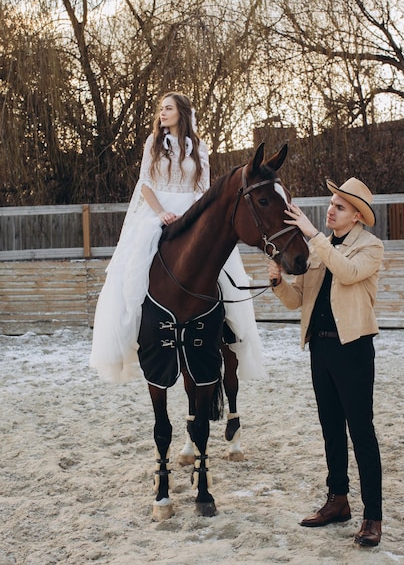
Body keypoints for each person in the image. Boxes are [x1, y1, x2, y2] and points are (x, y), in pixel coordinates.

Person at [90, 92, 265, 391]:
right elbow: (145, 184)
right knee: (132, 269)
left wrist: (194, 219)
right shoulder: (152, 143)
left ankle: (229, 330)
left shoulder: (198, 146)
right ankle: (135, 329)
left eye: (168, 108)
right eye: (160, 109)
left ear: (182, 113)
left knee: (220, 267)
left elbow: (203, 188)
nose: (162, 113)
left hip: (192, 212)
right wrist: (160, 213)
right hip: (157, 213)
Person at [268, 177, 383, 548]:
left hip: (353, 350)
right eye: (331, 204)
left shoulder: (370, 247)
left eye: (339, 206)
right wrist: (277, 283)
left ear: (356, 217)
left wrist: (314, 234)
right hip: (321, 349)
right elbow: (297, 301)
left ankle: (372, 517)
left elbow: (347, 273)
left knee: (361, 433)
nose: (331, 210)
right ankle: (338, 502)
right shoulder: (320, 250)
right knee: (331, 429)